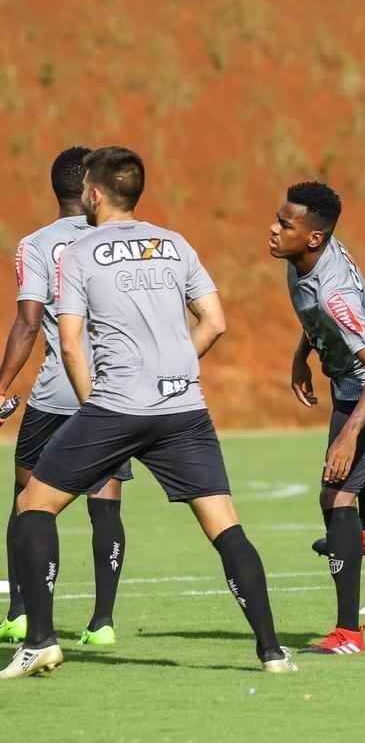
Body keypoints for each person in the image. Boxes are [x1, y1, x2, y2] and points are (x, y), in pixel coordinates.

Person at [1, 146, 294, 678]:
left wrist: (98, 404)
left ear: (92, 193)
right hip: (184, 408)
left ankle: (40, 640)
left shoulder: (77, 253)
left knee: (31, 509)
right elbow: (215, 321)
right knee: (226, 528)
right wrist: (175, 368)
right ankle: (272, 651)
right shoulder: (174, 243)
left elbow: (69, 344)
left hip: (115, 407)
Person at [269, 181, 365, 656]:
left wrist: (348, 433)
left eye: (284, 225)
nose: (273, 229)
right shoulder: (303, 257)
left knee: (336, 494)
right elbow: (315, 319)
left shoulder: (334, 293)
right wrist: (300, 356)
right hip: (351, 374)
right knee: (360, 463)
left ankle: (349, 633)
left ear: (313, 237)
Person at [0, 147, 132, 647]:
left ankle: (21, 613)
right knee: (106, 503)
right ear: (93, 187)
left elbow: (29, 322)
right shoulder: (123, 240)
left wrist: (2, 386)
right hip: (113, 394)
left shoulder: (36, 244)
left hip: (55, 393)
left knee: (28, 501)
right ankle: (103, 623)